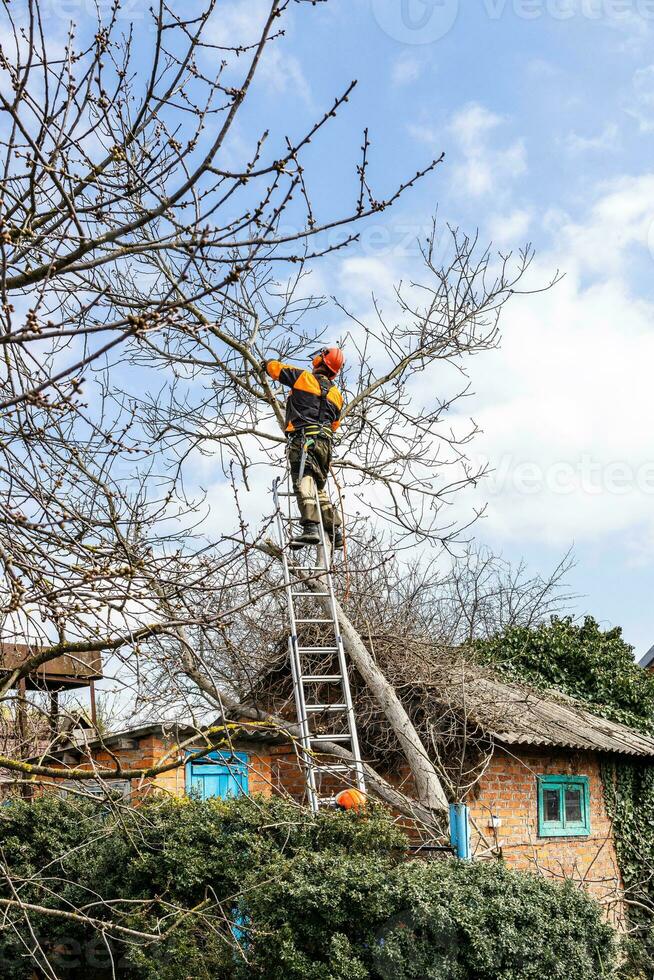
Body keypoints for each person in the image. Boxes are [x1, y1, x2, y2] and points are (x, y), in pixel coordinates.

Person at [263, 346, 345, 549]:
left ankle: (310, 528)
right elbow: (335, 424)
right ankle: (334, 530)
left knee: (303, 481)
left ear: (320, 361)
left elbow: (276, 369)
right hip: (325, 444)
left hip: (304, 440)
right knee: (317, 485)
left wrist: (265, 364)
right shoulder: (337, 395)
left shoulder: (304, 378)